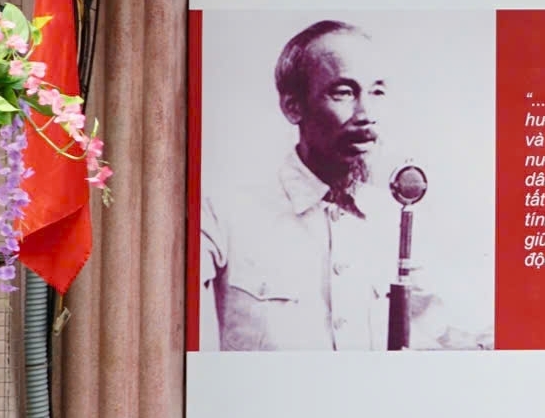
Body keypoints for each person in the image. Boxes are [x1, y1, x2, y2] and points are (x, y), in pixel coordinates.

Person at [200, 19, 487, 351]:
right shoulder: (223, 211)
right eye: (344, 93)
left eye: (377, 92)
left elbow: (440, 332)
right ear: (293, 107)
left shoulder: (397, 217)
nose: (366, 114)